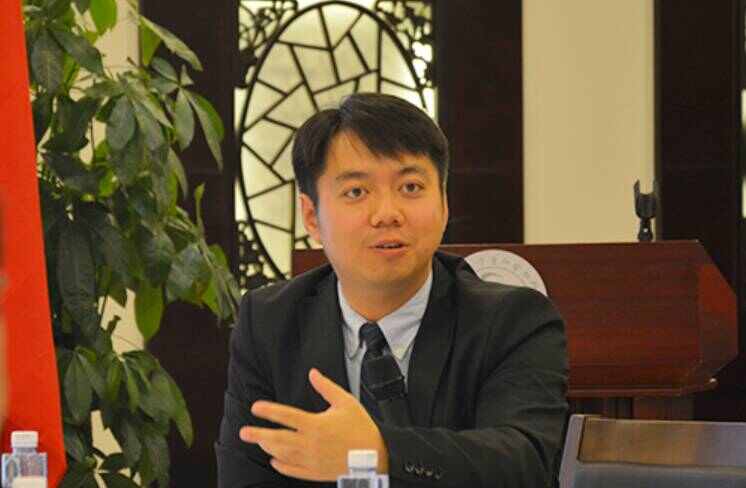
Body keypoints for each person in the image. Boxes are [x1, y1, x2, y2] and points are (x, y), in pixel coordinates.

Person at [216, 93, 568, 488]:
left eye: (411, 187)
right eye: (356, 192)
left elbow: (526, 463)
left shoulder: (512, 321)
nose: (387, 214)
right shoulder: (269, 323)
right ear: (312, 216)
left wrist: (380, 453)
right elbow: (245, 475)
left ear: (444, 204)